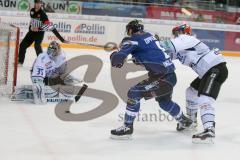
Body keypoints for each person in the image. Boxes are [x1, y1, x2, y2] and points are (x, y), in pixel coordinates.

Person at [110, 20, 192, 139]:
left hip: (161, 77)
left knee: (133, 93)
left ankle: (127, 127)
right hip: (171, 76)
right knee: (164, 102)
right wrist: (138, 59)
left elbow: (116, 61)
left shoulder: (132, 39)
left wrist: (114, 54)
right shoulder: (151, 36)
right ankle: (184, 121)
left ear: (130, 30)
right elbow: (152, 53)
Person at [161, 24, 228, 143]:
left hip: (215, 69)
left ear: (183, 32)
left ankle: (209, 130)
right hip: (208, 72)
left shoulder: (187, 39)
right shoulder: (182, 47)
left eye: (176, 33)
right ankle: (191, 122)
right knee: (191, 92)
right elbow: (164, 55)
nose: (175, 35)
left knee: (205, 98)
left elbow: (167, 46)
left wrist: (152, 43)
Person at [18, 0, 50, 66]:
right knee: (22, 45)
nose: (38, 4)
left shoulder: (43, 13)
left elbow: (47, 25)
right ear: (34, 3)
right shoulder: (32, 11)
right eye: (36, 3)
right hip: (31, 32)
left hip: (40, 33)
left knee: (37, 46)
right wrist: (30, 28)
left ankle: (42, 63)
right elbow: (32, 21)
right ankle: (20, 62)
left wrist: (38, 28)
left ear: (41, 4)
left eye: (39, 3)